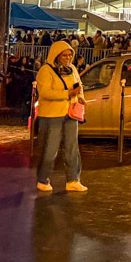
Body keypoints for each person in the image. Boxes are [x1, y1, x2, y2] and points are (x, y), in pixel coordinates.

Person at [34, 41, 87, 193]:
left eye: (70, 54)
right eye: (64, 55)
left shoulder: (72, 69)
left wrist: (80, 96)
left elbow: (79, 85)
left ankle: (73, 179)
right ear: (56, 55)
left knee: (72, 147)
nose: (68, 58)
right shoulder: (46, 70)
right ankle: (43, 179)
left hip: (70, 112)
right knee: (50, 148)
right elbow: (45, 93)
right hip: (51, 114)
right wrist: (67, 94)